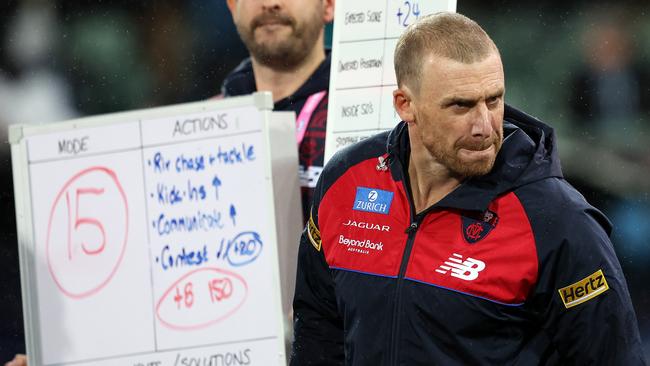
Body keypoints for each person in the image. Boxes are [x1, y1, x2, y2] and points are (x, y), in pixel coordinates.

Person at [291, 12, 647, 365]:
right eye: (460, 105)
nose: (483, 126)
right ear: (405, 105)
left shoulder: (558, 220)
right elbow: (318, 333)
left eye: (493, 100)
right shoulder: (345, 181)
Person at [222, 0, 334, 223]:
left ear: (328, 5)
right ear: (233, 6)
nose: (270, 3)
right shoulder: (208, 124)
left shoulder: (372, 120)